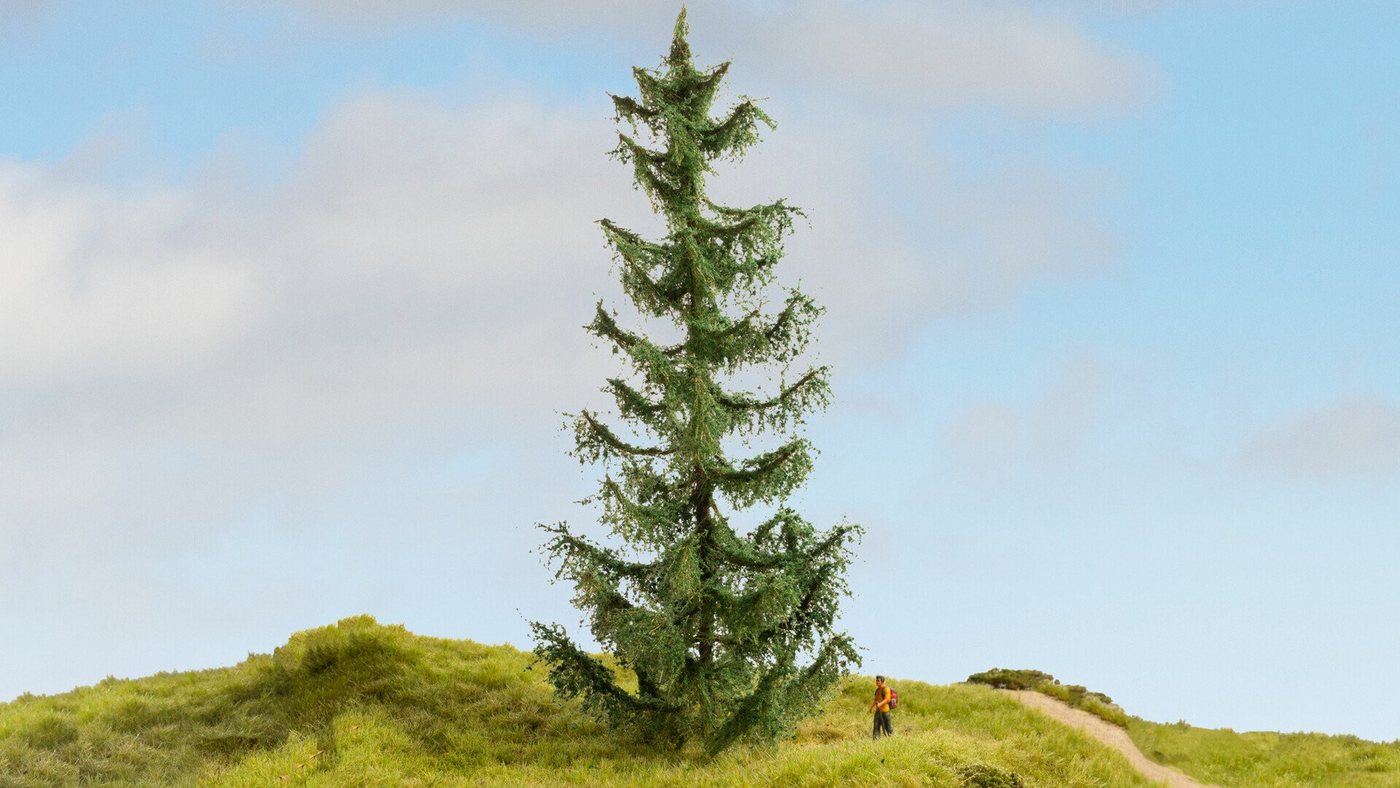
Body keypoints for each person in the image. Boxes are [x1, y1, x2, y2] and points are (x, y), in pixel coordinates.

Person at [869, 675, 893, 739]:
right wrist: (871, 707)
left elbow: (887, 699)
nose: (877, 682)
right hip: (878, 711)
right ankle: (875, 741)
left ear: (882, 681)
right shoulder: (877, 690)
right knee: (876, 727)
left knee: (888, 728)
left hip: (885, 712)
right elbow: (875, 700)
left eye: (878, 680)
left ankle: (892, 740)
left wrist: (880, 704)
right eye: (876, 680)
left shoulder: (886, 689)